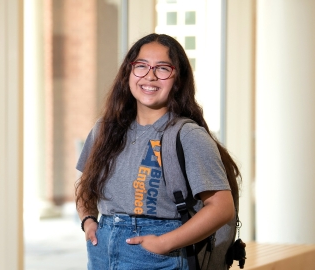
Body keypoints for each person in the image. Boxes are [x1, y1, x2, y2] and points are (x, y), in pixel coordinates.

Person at [75, 33, 241, 270]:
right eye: (141, 66)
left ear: (178, 79)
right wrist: (88, 220)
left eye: (163, 68)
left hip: (161, 255)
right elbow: (85, 185)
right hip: (102, 249)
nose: (150, 76)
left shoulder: (187, 135)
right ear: (128, 73)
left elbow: (222, 208)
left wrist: (165, 243)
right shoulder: (104, 129)